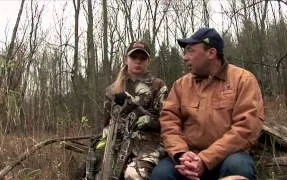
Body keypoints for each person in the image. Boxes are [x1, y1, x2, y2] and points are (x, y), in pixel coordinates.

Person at [150, 27, 264, 180]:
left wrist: (205, 159)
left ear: (211, 53)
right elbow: (169, 123)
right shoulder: (181, 85)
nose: (185, 57)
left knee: (239, 168)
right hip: (189, 158)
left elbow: (247, 128)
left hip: (228, 156)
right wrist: (181, 154)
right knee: (161, 174)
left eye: (190, 50)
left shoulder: (242, 79)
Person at [86, 40, 167, 180]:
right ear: (126, 59)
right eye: (134, 57)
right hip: (118, 144)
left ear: (148, 61)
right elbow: (106, 125)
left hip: (149, 144)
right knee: (98, 172)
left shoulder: (158, 86)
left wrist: (151, 122)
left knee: (133, 174)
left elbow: (168, 122)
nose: (138, 61)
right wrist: (102, 146)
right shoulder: (112, 90)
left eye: (142, 58)